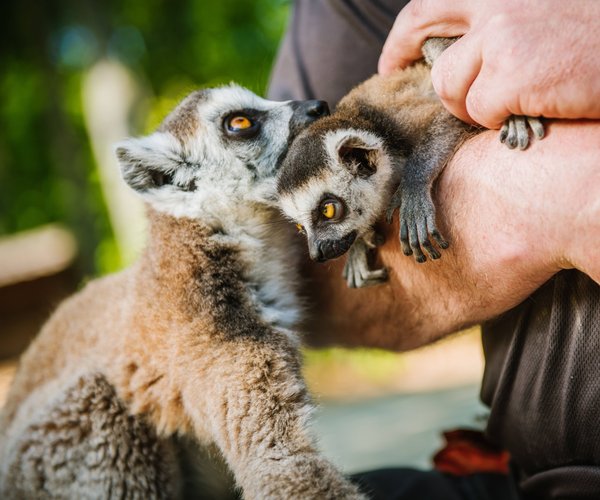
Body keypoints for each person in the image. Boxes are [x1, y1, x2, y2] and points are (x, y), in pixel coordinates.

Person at [268, 1, 600, 498]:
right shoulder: (359, 37)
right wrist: (554, 201)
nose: (319, 248)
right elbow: (297, 283)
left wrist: (419, 183)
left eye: (327, 214)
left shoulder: (389, 128)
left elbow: (447, 110)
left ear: (361, 158)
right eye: (306, 227)